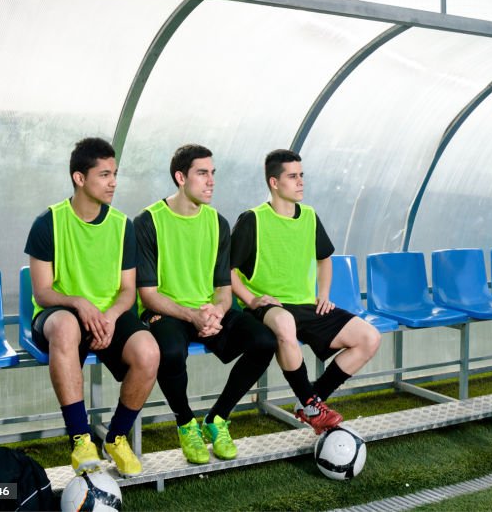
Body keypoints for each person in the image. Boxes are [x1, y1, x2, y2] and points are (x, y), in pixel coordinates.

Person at [24, 137, 159, 477]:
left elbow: (128, 291)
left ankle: (115, 438)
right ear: (79, 178)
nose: (113, 182)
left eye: (115, 174)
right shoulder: (48, 222)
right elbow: (41, 293)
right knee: (67, 325)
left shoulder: (122, 225)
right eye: (104, 175)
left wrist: (111, 317)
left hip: (107, 316)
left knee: (148, 350)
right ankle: (81, 439)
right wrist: (78, 303)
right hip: (59, 314)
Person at [136, 144, 277, 464]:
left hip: (208, 311)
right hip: (166, 311)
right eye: (202, 173)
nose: (211, 180)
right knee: (169, 351)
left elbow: (223, 290)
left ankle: (217, 419)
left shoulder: (218, 223)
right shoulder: (148, 221)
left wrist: (217, 312)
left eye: (213, 173)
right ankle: (186, 423)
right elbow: (148, 294)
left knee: (264, 340)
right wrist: (192, 315)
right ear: (180, 177)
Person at [230, 149, 381, 434]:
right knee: (285, 322)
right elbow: (227, 271)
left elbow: (324, 258)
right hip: (269, 307)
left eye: (302, 176)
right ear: (275, 183)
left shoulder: (310, 216)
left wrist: (323, 293)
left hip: (307, 305)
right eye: (292, 176)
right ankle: (310, 403)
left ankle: (311, 400)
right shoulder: (252, 219)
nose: (300, 182)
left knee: (369, 338)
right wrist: (251, 299)